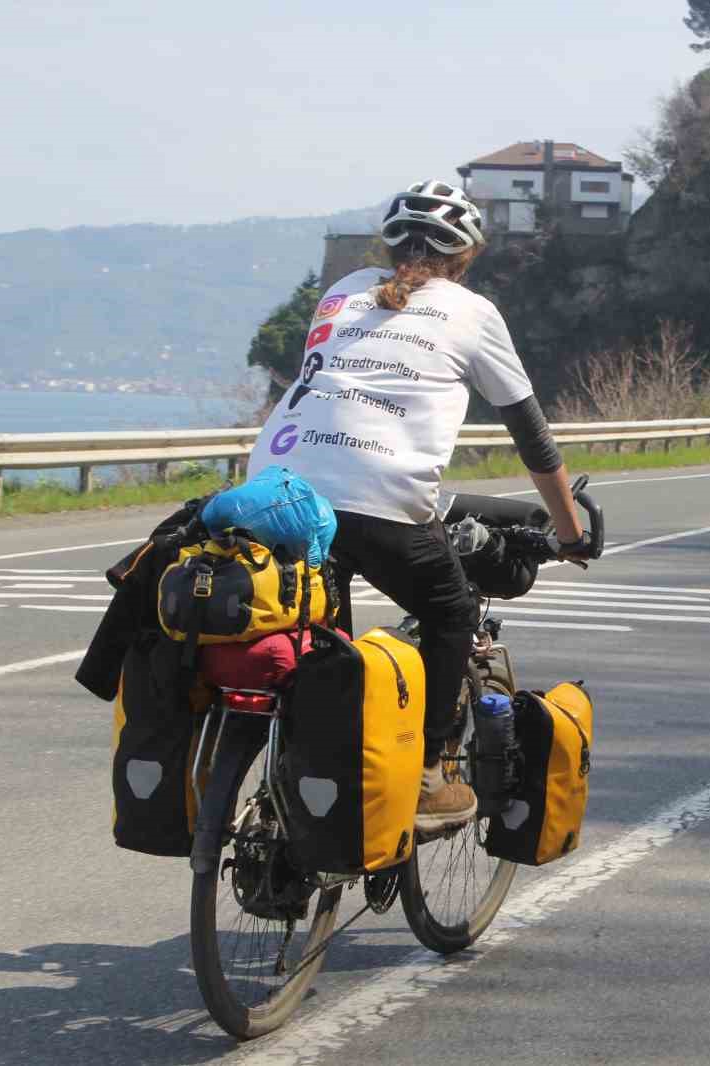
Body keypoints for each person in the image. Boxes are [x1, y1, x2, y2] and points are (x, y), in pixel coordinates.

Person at [246, 179, 589, 832]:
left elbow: (333, 398)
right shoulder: (472, 312)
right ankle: (431, 768)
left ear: (388, 244)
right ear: (466, 256)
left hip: (274, 489)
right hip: (376, 496)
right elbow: (534, 440)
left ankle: (296, 782)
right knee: (451, 609)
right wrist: (569, 534)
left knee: (324, 644)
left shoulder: (340, 293)